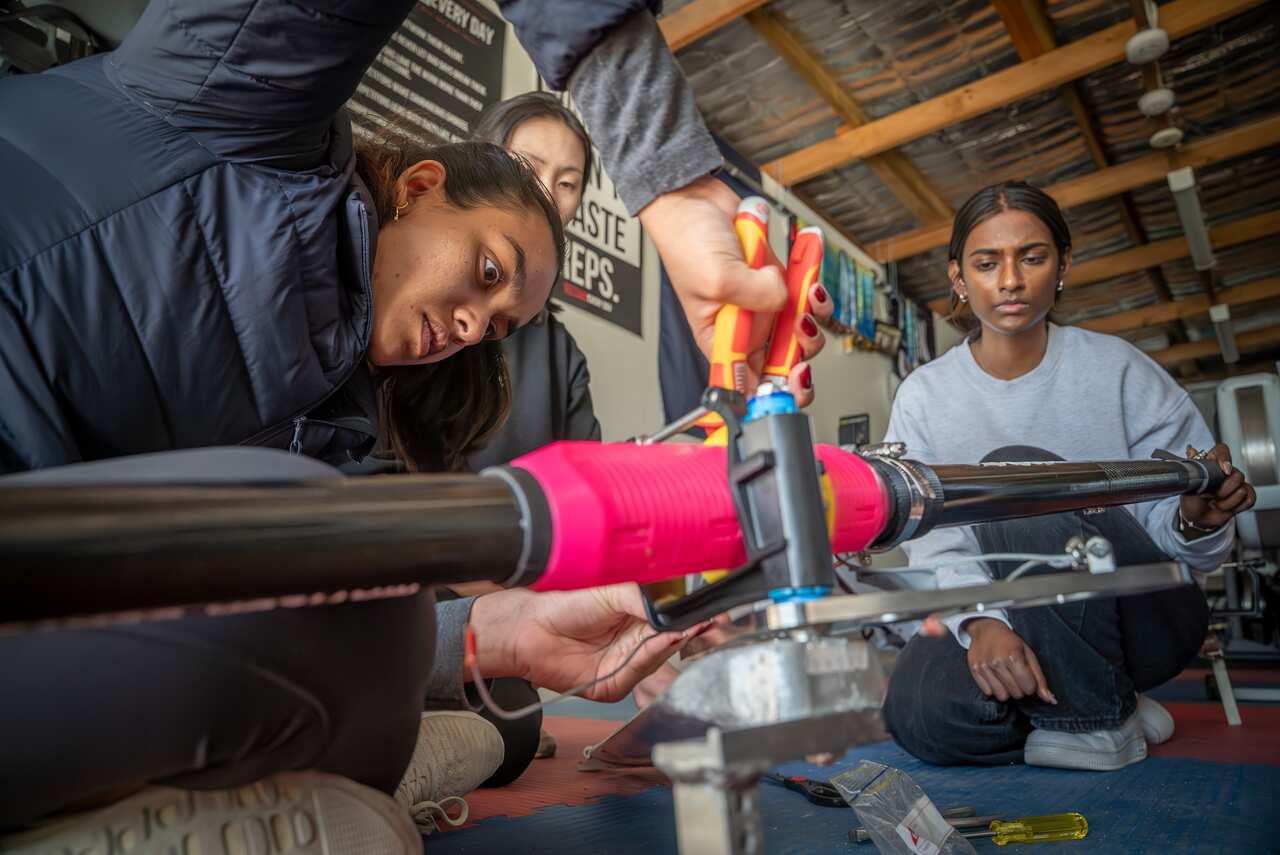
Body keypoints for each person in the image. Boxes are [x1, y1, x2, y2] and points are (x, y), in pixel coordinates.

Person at [0, 0, 819, 850]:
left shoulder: (340, 424)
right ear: (423, 186)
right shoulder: (239, 111)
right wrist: (673, 182)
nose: (474, 325)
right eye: (488, 269)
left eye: (500, 323)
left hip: (45, 604)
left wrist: (510, 634)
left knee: (397, 642)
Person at [880, 181, 1257, 771]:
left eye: (1032, 257)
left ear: (1062, 266)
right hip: (1005, 608)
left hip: (1137, 614)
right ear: (959, 278)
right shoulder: (924, 396)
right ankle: (1108, 700)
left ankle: (1095, 723)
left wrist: (1194, 518)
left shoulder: (1120, 370)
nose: (1010, 280)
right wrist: (981, 622)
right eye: (987, 263)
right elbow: (933, 538)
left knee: (1012, 476)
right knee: (925, 718)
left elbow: (1193, 536)